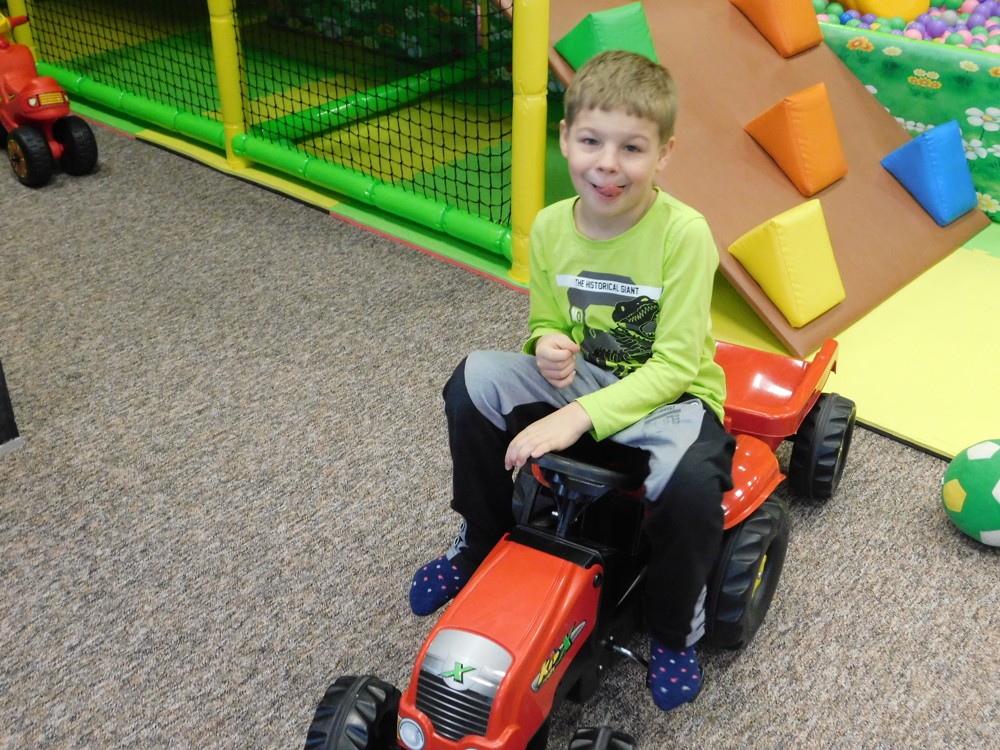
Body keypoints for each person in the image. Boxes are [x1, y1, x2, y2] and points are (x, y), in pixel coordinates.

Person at [409, 49, 735, 712]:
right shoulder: (552, 225)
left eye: (632, 148)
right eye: (591, 142)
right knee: (473, 380)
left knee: (692, 486)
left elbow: (675, 365)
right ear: (565, 139)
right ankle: (481, 541)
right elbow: (546, 321)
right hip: (587, 380)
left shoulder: (684, 234)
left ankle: (675, 630)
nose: (607, 164)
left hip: (671, 398)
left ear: (664, 154)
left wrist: (576, 416)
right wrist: (547, 346)